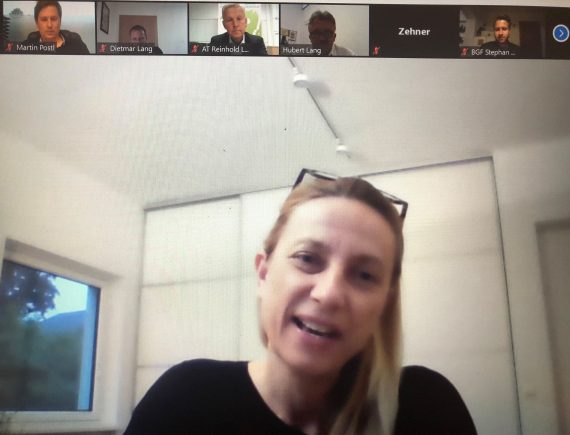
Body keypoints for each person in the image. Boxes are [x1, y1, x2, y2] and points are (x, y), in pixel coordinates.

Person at [124, 169, 477, 435]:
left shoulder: (426, 408)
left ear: (385, 303)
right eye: (307, 258)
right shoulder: (186, 401)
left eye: (365, 275)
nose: (329, 293)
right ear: (263, 273)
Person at [22, 0, 89, 54]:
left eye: (54, 19)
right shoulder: (26, 47)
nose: (49, 25)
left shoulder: (77, 44)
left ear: (60, 21)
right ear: (37, 23)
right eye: (44, 19)